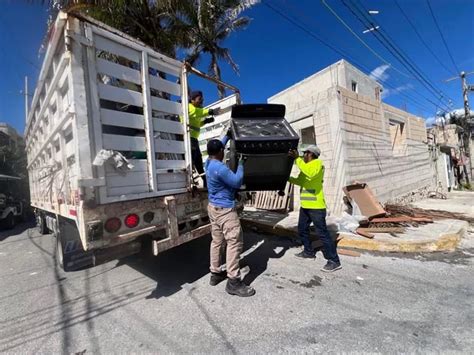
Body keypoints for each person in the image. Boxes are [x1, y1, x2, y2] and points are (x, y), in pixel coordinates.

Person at [205, 138, 255, 297]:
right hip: (225, 210)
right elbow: (237, 181)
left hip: (213, 208)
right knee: (234, 242)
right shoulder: (220, 168)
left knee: (217, 241)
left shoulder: (208, 163)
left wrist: (226, 136)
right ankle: (233, 282)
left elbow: (217, 144)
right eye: (223, 149)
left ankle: (215, 273)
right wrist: (241, 163)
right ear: (220, 151)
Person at [288, 145, 342, 272]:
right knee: (302, 229)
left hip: (316, 207)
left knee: (322, 233)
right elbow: (300, 181)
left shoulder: (318, 164)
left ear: (310, 154)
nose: (302, 156)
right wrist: (286, 178)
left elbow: (310, 173)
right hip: (306, 206)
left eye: (304, 153)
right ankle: (308, 252)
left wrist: (297, 159)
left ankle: (334, 261)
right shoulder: (306, 167)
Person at [186, 91, 220, 187]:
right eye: (199, 99)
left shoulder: (196, 110)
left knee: (198, 160)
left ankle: (205, 181)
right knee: (194, 160)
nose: (202, 101)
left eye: (202, 99)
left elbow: (196, 124)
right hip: (188, 138)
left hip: (193, 139)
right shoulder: (189, 107)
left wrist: (206, 121)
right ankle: (195, 181)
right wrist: (209, 111)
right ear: (192, 100)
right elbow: (196, 113)